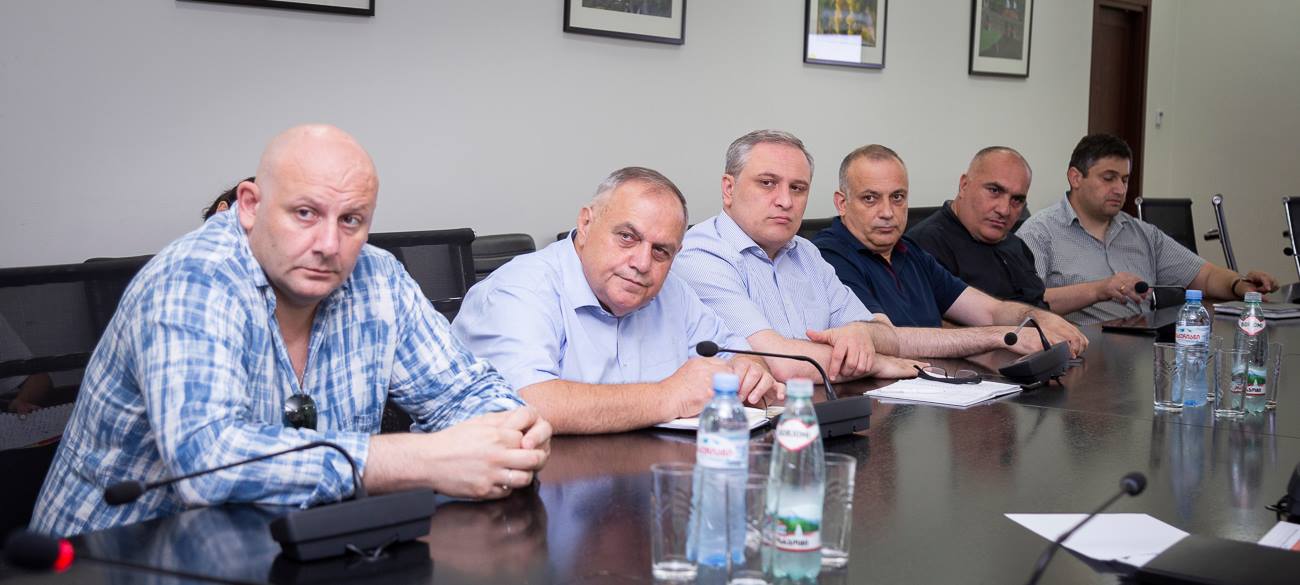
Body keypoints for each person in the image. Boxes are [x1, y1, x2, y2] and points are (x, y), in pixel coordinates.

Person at [31, 125, 551, 537]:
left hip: (290, 545)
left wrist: (509, 436)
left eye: (351, 220)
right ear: (250, 206)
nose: (329, 244)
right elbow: (208, 458)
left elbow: (467, 391)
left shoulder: (378, 277)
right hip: (114, 555)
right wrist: (423, 459)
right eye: (305, 213)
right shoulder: (192, 278)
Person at [452, 167, 779, 434]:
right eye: (627, 237)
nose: (642, 263)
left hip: (642, 476)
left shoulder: (673, 292)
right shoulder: (519, 289)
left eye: (661, 251)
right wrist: (668, 396)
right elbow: (523, 402)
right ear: (586, 223)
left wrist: (749, 371)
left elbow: (739, 353)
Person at [672, 129, 923, 383]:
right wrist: (875, 363)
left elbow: (888, 338)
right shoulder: (700, 255)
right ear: (729, 188)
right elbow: (778, 362)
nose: (785, 201)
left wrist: (861, 332)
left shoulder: (807, 253)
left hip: (829, 401)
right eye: (767, 183)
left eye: (797, 188)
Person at [811, 144, 1086, 357]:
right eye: (870, 198)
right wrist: (1002, 336)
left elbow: (990, 311)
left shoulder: (909, 251)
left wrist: (1041, 319)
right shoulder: (828, 256)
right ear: (842, 203)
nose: (887, 212)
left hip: (938, 390)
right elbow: (886, 339)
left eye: (897, 197)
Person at [1017, 134, 1278, 324]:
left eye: (1124, 179)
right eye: (1108, 178)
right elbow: (1024, 304)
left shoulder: (1141, 233)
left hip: (1141, 350)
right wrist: (1099, 289)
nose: (1119, 189)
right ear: (1075, 177)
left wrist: (1239, 285)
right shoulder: (1039, 233)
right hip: (1079, 353)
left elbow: (1203, 275)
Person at [908, 146, 1048, 309]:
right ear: (964, 185)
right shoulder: (924, 247)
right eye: (994, 190)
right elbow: (927, 320)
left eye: (1017, 200)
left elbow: (1037, 299)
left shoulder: (1016, 244)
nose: (1004, 210)